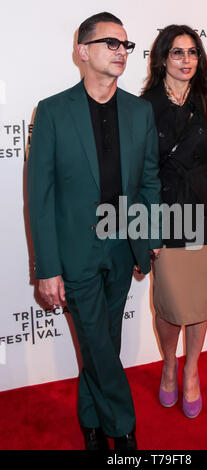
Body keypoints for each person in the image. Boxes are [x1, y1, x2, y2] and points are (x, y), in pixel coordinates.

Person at [27, 12, 161, 451]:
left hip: (122, 249)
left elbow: (149, 182)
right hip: (75, 253)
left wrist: (149, 235)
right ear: (82, 51)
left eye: (126, 45)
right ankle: (122, 431)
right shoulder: (51, 112)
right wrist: (47, 267)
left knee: (107, 339)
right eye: (111, 43)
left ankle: (89, 418)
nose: (122, 51)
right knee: (99, 344)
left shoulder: (140, 112)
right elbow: (40, 196)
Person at [141, 25, 207, 418]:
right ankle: (169, 364)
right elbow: (139, 176)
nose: (186, 60)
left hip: (205, 217)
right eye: (177, 52)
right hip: (166, 219)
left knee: (199, 304)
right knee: (170, 304)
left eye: (192, 53)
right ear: (162, 59)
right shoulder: (144, 107)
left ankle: (191, 370)